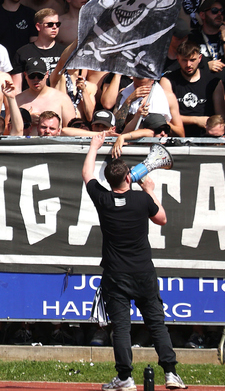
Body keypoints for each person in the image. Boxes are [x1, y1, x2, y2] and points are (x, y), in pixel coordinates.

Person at [81, 132, 187, 391]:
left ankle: (125, 378)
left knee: (121, 327)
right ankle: (171, 373)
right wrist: (149, 189)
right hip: (143, 273)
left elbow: (87, 175)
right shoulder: (142, 199)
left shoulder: (103, 199)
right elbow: (161, 218)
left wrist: (94, 146)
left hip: (116, 276)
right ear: (129, 177)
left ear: (109, 181)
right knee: (156, 323)